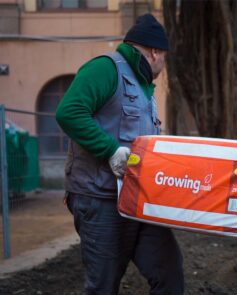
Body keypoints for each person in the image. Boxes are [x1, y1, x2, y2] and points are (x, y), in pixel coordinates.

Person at [56, 13, 184, 295]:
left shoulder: (144, 90)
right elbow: (69, 112)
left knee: (169, 274)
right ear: (155, 52)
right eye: (165, 57)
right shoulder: (106, 69)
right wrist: (110, 150)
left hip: (138, 201)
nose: (164, 65)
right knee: (103, 285)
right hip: (100, 199)